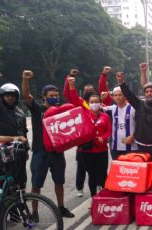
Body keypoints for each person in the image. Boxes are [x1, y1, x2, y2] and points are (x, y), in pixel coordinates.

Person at [22, 70, 75, 218]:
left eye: (56, 95)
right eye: (51, 96)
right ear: (43, 96)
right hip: (40, 152)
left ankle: (61, 207)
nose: (54, 98)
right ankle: (34, 211)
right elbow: (26, 95)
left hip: (57, 152)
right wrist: (25, 80)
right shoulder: (37, 108)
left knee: (59, 182)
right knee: (36, 184)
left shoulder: (60, 111)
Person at [67, 77, 111, 196]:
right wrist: (71, 84)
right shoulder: (84, 113)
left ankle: (104, 195)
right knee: (91, 175)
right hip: (87, 151)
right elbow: (75, 99)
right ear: (88, 104)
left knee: (102, 173)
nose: (94, 104)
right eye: (91, 102)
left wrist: (104, 137)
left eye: (96, 102)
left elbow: (109, 131)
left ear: (100, 103)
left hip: (101, 150)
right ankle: (94, 198)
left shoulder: (104, 116)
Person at [117, 66, 152, 159]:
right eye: (147, 91)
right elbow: (129, 95)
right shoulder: (139, 105)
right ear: (144, 94)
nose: (149, 93)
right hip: (140, 146)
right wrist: (121, 82)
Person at [63, 69, 95, 197]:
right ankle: (79, 187)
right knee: (81, 166)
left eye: (91, 90)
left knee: (96, 165)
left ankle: (98, 184)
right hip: (83, 140)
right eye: (87, 90)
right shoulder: (80, 102)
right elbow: (68, 94)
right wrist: (70, 78)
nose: (89, 92)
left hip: (96, 140)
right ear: (83, 91)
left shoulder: (97, 103)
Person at [0, 72, 29, 189]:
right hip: (1, 151)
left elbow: (24, 132)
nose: (10, 97)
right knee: (3, 182)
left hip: (18, 151)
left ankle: (19, 204)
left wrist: (26, 149)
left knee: (20, 181)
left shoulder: (20, 112)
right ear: (2, 97)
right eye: (7, 95)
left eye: (13, 95)